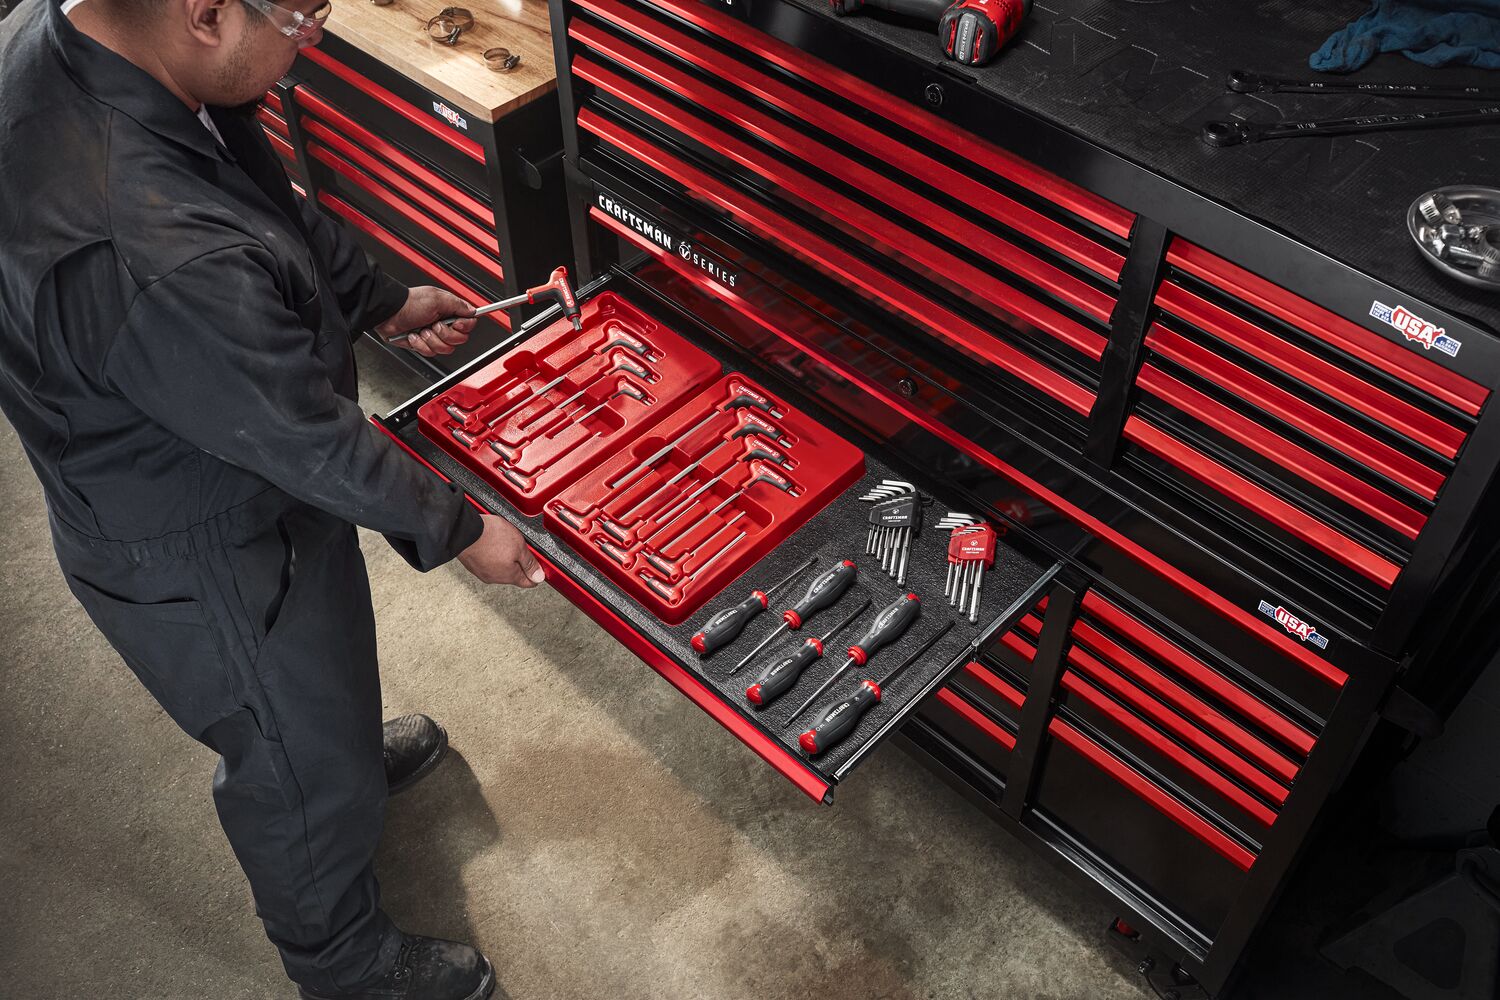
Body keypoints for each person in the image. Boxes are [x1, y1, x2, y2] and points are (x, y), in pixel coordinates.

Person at [0, 0, 543, 995]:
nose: (316, 37)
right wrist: (461, 527)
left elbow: (257, 197)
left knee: (320, 673)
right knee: (286, 744)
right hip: (196, 537)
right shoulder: (145, 247)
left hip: (218, 446)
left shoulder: (91, 39)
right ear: (206, 15)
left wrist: (375, 297)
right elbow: (302, 432)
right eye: (302, 17)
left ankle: (337, 748)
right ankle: (343, 962)